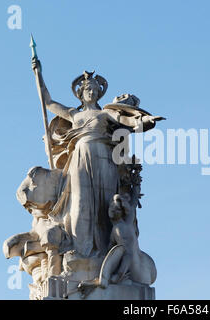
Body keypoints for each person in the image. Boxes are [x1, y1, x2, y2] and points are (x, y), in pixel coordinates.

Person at [31, 58, 164, 259]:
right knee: (80, 202)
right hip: (81, 158)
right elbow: (48, 102)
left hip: (104, 159)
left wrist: (145, 120)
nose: (91, 92)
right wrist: (38, 74)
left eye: (94, 89)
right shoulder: (74, 114)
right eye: (88, 90)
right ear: (81, 94)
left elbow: (124, 118)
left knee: (105, 203)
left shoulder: (106, 113)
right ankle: (80, 248)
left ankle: (107, 251)